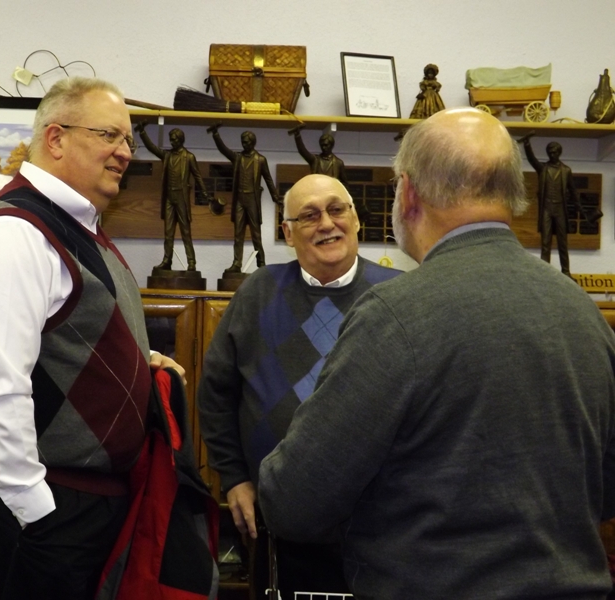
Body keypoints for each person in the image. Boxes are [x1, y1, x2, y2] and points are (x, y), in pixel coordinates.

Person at [258, 108, 615, 599]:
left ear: (407, 194)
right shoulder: (583, 311)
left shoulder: (395, 315)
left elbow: (295, 500)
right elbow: (606, 487)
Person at [0, 77, 184, 600]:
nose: (125, 152)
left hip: (81, 500)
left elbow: (59, 334)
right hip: (49, 507)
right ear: (56, 138)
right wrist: (35, 510)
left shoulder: (75, 224)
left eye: (128, 140)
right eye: (109, 135)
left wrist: (138, 361)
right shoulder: (15, 232)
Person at [197, 174, 401, 598]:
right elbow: (216, 394)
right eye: (309, 215)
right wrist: (234, 478)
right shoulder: (258, 292)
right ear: (288, 234)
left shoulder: (398, 295)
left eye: (336, 209)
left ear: (356, 219)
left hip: (380, 525)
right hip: (277, 522)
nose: (326, 223)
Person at [134, 125, 211, 271]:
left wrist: (205, 193)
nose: (172, 142)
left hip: (181, 198)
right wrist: (142, 132)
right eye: (171, 139)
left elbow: (198, 176)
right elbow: (152, 148)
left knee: (185, 232)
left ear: (181, 140)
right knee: (168, 233)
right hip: (169, 198)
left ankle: (191, 262)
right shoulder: (167, 155)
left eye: (174, 139)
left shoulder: (189, 157)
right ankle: (167, 261)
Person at [207, 124, 280, 272]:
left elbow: (268, 179)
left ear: (253, 143)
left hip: (252, 199)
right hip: (240, 199)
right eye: (243, 142)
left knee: (256, 234)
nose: (244, 144)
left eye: (246, 142)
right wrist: (215, 134)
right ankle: (237, 263)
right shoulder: (238, 158)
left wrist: (274, 196)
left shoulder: (260, 160)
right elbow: (224, 150)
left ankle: (261, 264)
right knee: (238, 234)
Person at [521, 136, 585, 276]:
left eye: (554, 152)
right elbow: (532, 160)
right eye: (550, 152)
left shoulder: (566, 171)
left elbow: (573, 191)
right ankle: (545, 274)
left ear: (559, 153)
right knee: (545, 243)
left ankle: (566, 272)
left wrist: (579, 207)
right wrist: (527, 145)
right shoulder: (543, 168)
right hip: (547, 209)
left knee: (563, 243)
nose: (552, 154)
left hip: (560, 209)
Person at [288, 125, 370, 223]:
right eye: (322, 145)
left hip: (333, 200)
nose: (324, 147)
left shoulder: (338, 163)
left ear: (331, 145)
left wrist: (348, 199)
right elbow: (303, 151)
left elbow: (344, 183)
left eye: (326, 145)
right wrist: (297, 136)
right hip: (317, 198)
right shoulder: (315, 160)